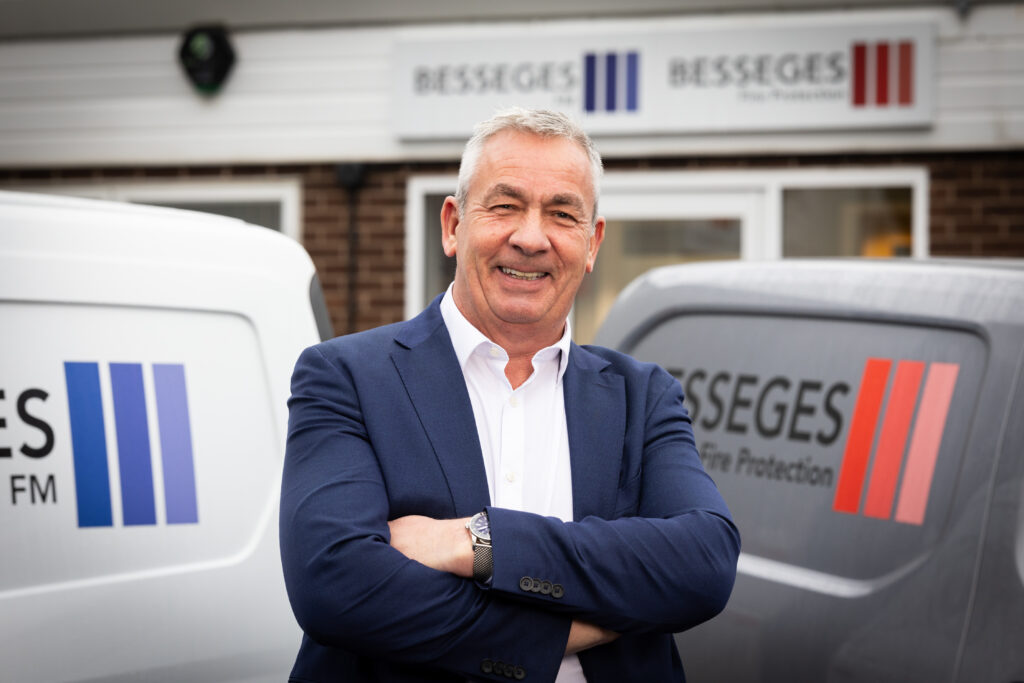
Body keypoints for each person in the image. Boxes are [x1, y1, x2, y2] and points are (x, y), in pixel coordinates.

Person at [280, 107, 740, 683]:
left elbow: (704, 564)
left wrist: (476, 543)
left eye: (562, 213)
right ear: (452, 225)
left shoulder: (643, 398)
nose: (530, 238)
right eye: (505, 206)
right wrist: (580, 623)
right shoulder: (345, 377)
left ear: (592, 243)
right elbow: (335, 587)